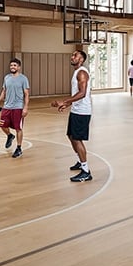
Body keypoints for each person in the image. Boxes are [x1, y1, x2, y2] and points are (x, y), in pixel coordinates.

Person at [54, 49, 94, 182]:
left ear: (81, 59)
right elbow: (78, 94)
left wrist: (64, 101)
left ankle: (86, 171)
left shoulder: (82, 73)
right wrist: (68, 105)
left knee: (77, 139)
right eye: (72, 55)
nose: (72, 57)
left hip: (82, 111)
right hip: (76, 110)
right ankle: (79, 161)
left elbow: (82, 93)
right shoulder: (77, 72)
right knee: (71, 136)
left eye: (75, 55)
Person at [0, 57, 29, 158]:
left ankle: (19, 148)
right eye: (11, 65)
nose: (12, 67)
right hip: (6, 106)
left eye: (14, 65)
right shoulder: (7, 78)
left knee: (18, 128)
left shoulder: (23, 79)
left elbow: (26, 94)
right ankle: (10, 135)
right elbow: (4, 91)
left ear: (18, 67)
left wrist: (25, 107)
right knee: (2, 125)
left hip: (18, 107)